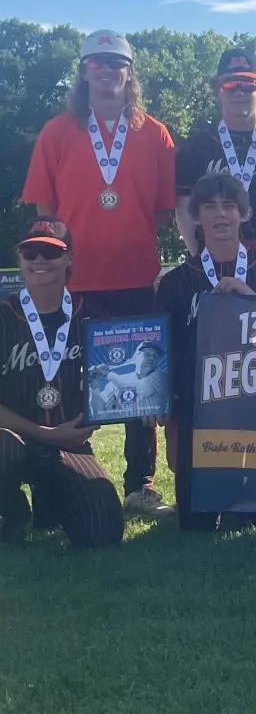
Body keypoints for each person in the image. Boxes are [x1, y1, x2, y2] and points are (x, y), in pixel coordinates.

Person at [21, 29, 176, 518]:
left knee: (141, 385)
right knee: (66, 384)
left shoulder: (155, 133)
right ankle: (64, 478)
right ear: (83, 71)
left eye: (115, 63)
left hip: (133, 279)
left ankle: (140, 486)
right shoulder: (56, 131)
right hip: (76, 283)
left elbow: (162, 212)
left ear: (129, 73)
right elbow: (46, 211)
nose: (106, 71)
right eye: (96, 63)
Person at [153, 173, 256, 531]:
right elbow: (159, 352)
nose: (220, 215)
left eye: (229, 206)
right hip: (198, 411)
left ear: (244, 215)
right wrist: (164, 410)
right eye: (210, 207)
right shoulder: (176, 282)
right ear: (196, 217)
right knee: (197, 523)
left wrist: (254, 301)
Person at [0, 217, 123, 547]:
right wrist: (45, 434)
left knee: (103, 532)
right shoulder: (2, 315)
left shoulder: (90, 315)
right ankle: (11, 511)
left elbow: (114, 377)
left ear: (69, 259)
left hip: (70, 442)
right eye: (31, 252)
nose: (40, 260)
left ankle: (51, 499)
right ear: (20, 260)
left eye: (50, 252)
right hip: (15, 438)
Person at [174, 48, 256, 257]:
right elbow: (183, 209)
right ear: (218, 91)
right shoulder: (195, 148)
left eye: (247, 85)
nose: (239, 92)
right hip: (212, 260)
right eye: (230, 85)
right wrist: (199, 256)